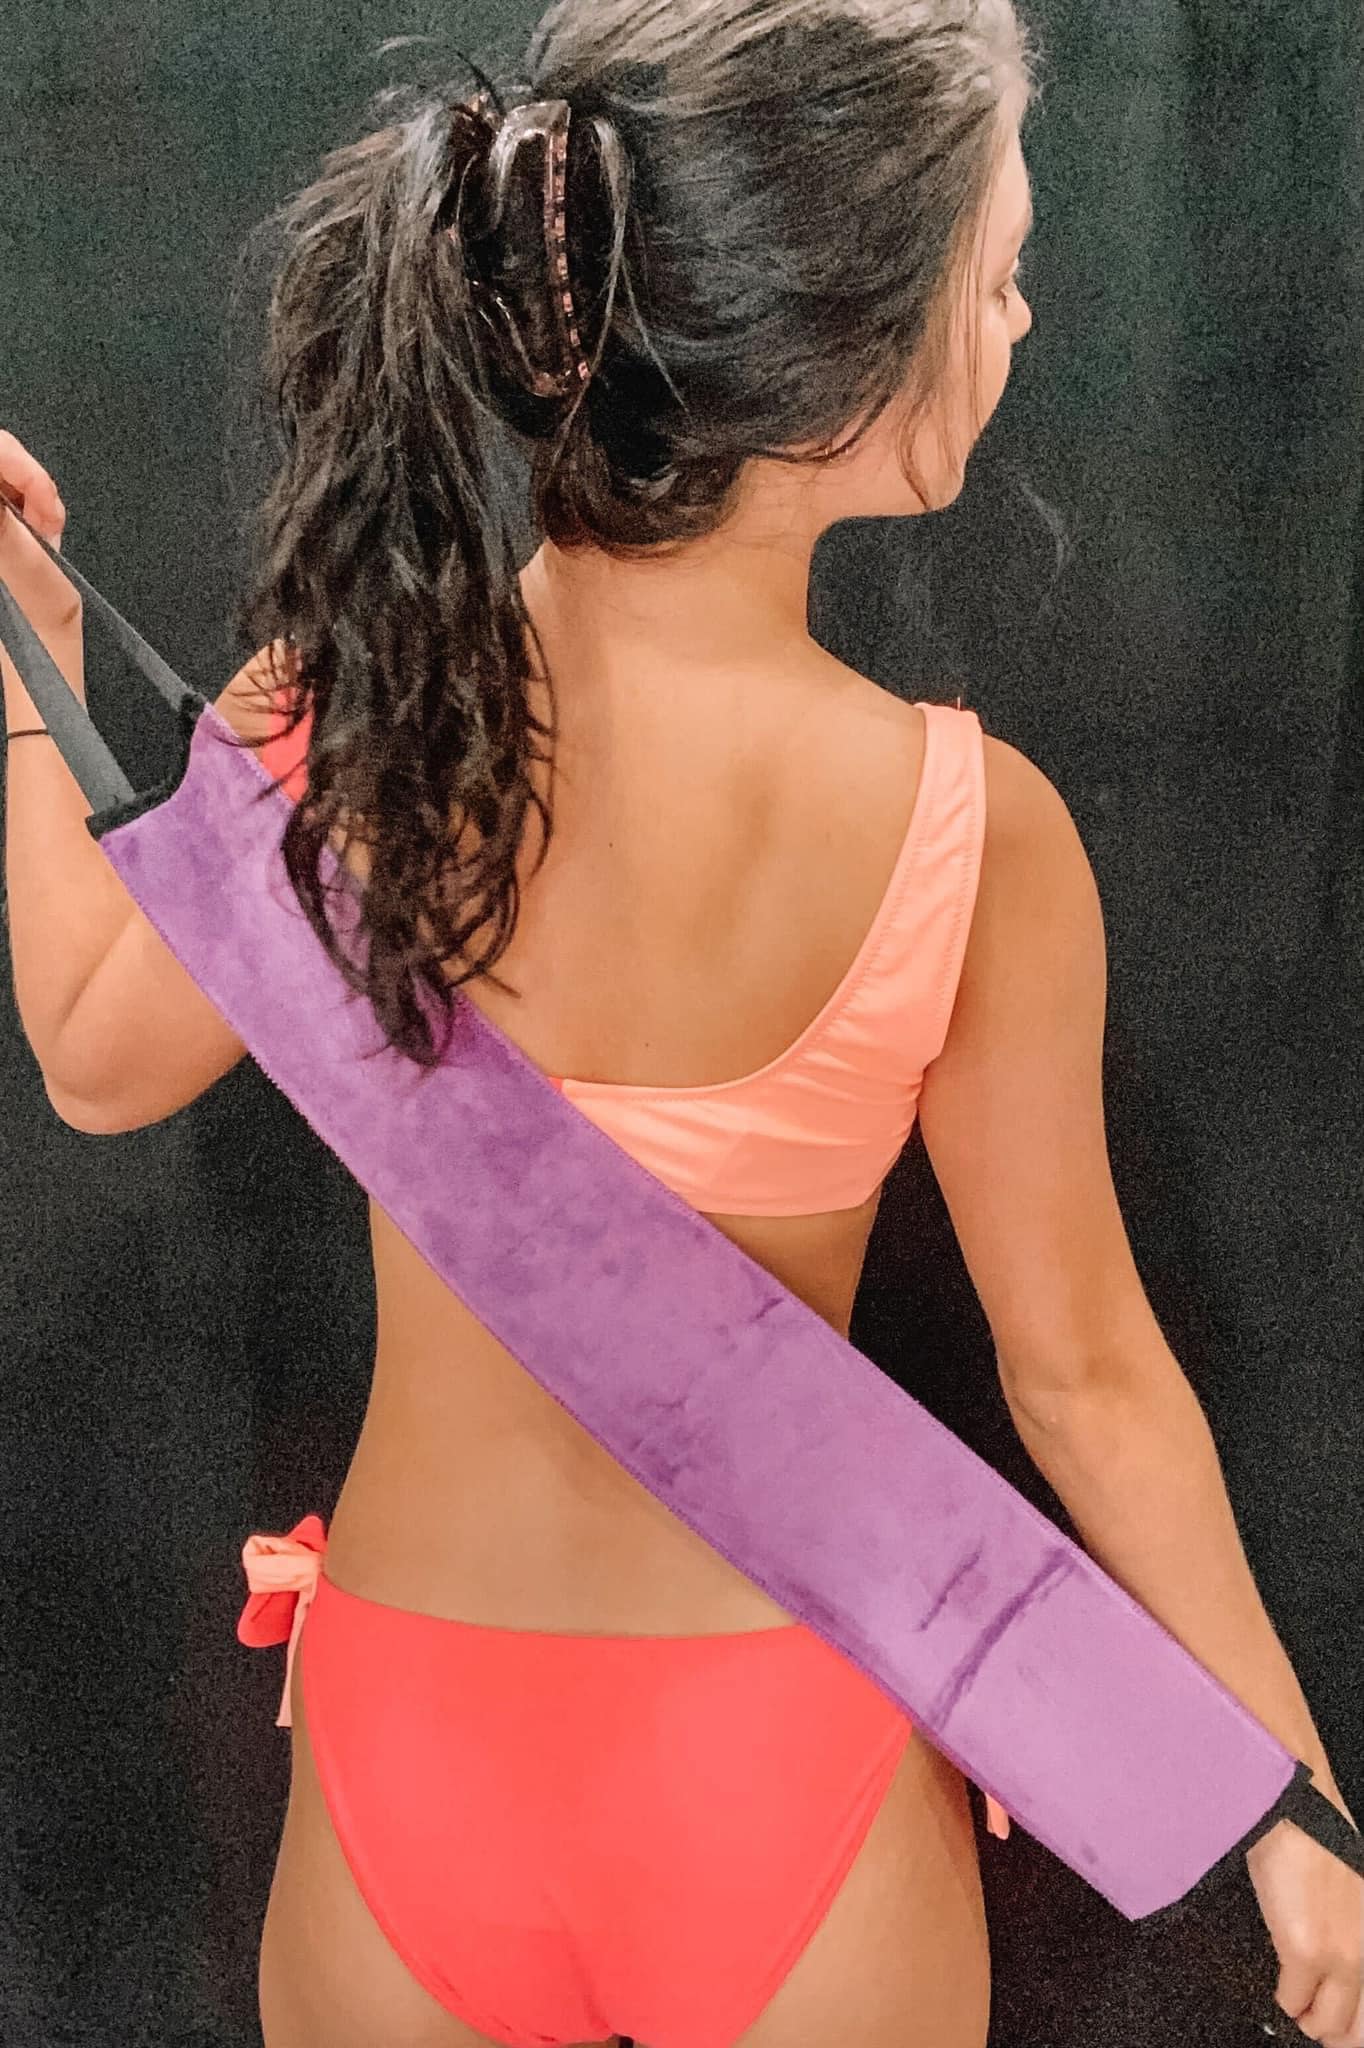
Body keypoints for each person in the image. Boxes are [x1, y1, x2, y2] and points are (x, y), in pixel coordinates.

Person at [2, 2, 1361, 2046]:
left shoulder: (360, 711)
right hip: (786, 1759)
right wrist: (1290, 1802)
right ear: (847, 347)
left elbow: (96, 1061)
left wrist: (25, 662)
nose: (1016, 322)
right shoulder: (972, 828)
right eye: (996, 275)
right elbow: (1088, 1380)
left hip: (414, 1749)